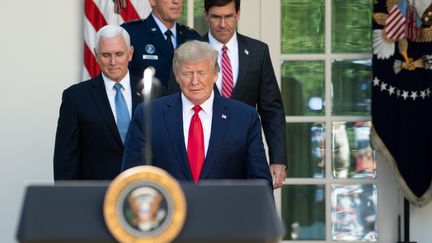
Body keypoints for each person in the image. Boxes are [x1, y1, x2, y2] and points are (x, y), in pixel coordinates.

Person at [122, 40, 273, 191]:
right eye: (187, 73)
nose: (195, 81)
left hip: (225, 212)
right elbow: (132, 176)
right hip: (167, 211)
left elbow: (260, 182)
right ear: (177, 76)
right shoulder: (149, 114)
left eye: (202, 73)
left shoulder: (244, 118)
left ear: (215, 74)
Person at [202, 0, 287, 189]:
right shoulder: (191, 52)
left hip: (249, 154)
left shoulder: (258, 51)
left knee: (253, 214)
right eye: (216, 17)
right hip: (203, 157)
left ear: (238, 14)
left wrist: (278, 159)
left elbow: (271, 109)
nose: (223, 24)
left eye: (228, 16)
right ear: (206, 15)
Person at [53, 25, 142, 180]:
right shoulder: (75, 97)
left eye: (119, 54)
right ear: (96, 55)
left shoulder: (152, 92)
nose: (113, 62)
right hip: (95, 194)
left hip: (144, 191)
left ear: (130, 53)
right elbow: (65, 159)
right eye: (106, 55)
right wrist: (68, 200)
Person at [121, 0, 200, 93]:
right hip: (146, 105)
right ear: (153, 1)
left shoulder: (192, 37)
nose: (176, 2)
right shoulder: (131, 34)